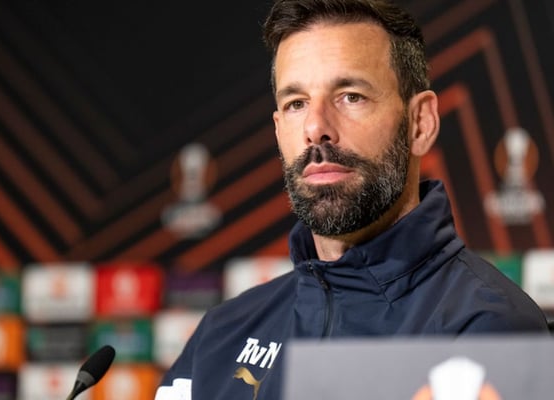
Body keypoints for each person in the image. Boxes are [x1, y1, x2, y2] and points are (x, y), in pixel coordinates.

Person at [155, 0, 549, 399]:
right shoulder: (220, 336)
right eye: (296, 104)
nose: (315, 128)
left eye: (350, 96)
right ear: (278, 130)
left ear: (420, 123)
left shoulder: (488, 329)